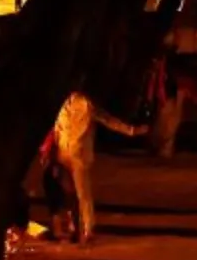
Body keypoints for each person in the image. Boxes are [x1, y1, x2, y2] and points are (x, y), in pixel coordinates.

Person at [44, 86, 143, 244]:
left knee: (82, 194)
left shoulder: (86, 105)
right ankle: (74, 226)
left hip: (80, 155)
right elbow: (56, 130)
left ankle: (88, 228)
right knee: (70, 194)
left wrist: (131, 131)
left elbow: (108, 120)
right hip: (64, 154)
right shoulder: (62, 105)